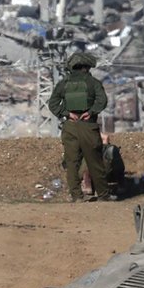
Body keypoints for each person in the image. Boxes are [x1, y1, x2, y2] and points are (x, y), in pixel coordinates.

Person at [48, 52, 115, 202]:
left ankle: (77, 196)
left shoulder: (63, 83)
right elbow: (102, 101)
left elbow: (53, 104)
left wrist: (66, 113)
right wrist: (90, 112)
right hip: (88, 126)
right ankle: (103, 195)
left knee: (72, 163)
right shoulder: (93, 83)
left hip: (70, 126)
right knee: (94, 161)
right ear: (86, 67)